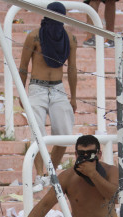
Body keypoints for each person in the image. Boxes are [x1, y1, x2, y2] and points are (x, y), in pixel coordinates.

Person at [18, 2, 77, 191]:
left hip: (58, 89)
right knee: (38, 134)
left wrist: (74, 96)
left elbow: (73, 68)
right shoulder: (34, 36)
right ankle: (39, 175)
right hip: (37, 87)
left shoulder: (69, 38)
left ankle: (51, 172)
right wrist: (21, 91)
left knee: (64, 134)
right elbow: (23, 66)